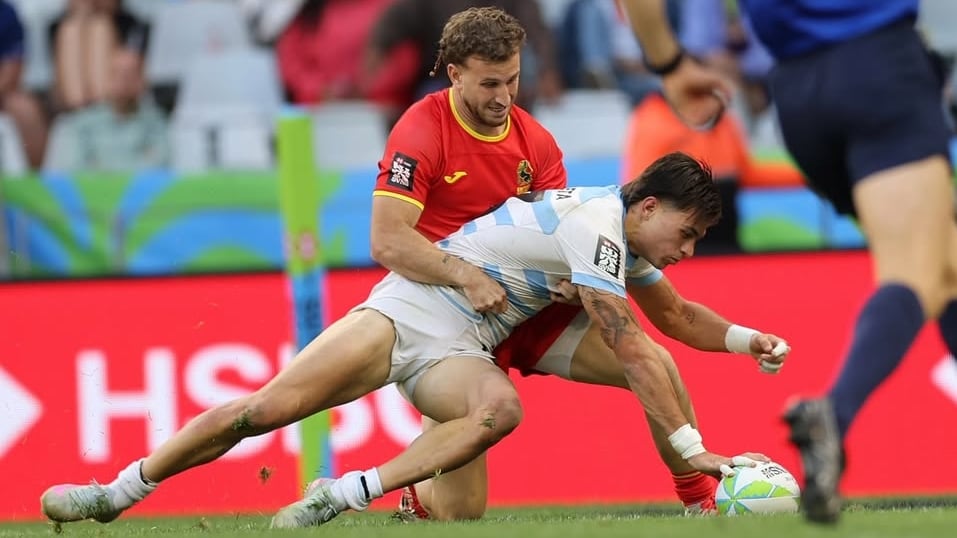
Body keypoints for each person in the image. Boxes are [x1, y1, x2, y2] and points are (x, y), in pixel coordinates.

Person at [39, 152, 771, 528]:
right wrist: (690, 445)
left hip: (468, 345)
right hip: (411, 311)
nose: (690, 248)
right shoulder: (592, 226)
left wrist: (746, 339)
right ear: (646, 206)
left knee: (499, 411)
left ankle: (345, 494)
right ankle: (116, 491)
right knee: (258, 413)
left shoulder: (626, 238)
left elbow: (672, 320)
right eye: (688, 232)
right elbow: (631, 343)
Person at [357, 6, 790, 521]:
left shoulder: (539, 146)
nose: (504, 96)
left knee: (658, 364)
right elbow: (387, 239)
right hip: (456, 314)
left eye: (513, 80)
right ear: (456, 74)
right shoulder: (423, 126)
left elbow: (674, 314)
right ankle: (383, 494)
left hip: (529, 309)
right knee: (460, 513)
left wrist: (746, 340)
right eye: (491, 82)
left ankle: (699, 501)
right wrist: (466, 276)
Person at [619, 0, 957, 525]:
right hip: (880, 66)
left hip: (798, 98)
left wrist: (669, 64)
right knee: (918, 271)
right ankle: (835, 417)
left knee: (946, 263)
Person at [45, 47, 168, 172]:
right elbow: (74, 168)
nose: (123, 81)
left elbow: (161, 164)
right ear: (105, 78)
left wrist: (100, 166)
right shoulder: (82, 122)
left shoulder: (156, 121)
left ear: (143, 80)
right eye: (116, 73)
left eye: (130, 74)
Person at [0, 0, 49, 169]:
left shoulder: (6, 13)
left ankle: (33, 184)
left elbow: (12, 69)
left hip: (3, 93)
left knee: (26, 110)